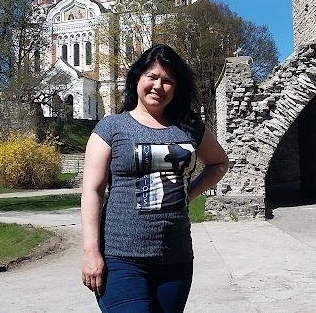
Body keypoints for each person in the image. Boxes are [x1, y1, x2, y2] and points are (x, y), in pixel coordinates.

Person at [81, 44, 230, 312]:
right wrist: (91, 252)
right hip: (121, 259)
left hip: (176, 260)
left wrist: (189, 193)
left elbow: (219, 163)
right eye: (152, 76)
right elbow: (92, 190)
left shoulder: (189, 127)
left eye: (168, 80)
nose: (158, 86)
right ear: (137, 77)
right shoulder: (112, 128)